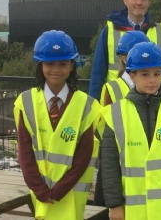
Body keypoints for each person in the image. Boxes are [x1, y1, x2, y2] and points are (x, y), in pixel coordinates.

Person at [100, 42, 161, 220]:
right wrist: (114, 204)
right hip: (132, 210)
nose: (152, 80)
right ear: (132, 76)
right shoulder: (116, 113)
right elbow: (109, 165)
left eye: (157, 74)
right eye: (145, 74)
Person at [13, 30, 101, 219]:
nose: (56, 69)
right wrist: (40, 190)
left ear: (72, 66)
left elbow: (84, 155)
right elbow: (25, 152)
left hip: (70, 194)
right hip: (40, 194)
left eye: (63, 64)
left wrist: (58, 190)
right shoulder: (26, 102)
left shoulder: (87, 105)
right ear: (40, 65)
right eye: (49, 63)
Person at [88, 0, 161, 100]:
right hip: (117, 101)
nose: (139, 2)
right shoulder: (110, 29)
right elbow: (98, 73)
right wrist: (94, 105)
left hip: (153, 103)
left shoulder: (160, 31)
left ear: (149, 1)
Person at [93, 30, 151, 208]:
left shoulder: (156, 83)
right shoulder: (112, 88)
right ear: (124, 59)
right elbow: (105, 130)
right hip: (117, 161)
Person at [99, 30, 151, 106]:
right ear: (125, 59)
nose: (144, 59)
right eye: (138, 56)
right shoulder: (113, 90)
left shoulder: (158, 85)